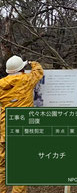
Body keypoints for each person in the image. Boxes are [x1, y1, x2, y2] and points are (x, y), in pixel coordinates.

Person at [0, 55, 44, 193]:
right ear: (23, 68)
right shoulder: (27, 79)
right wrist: (33, 63)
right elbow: (39, 72)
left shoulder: (1, 84)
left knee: (1, 164)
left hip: (4, 127)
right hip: (22, 127)